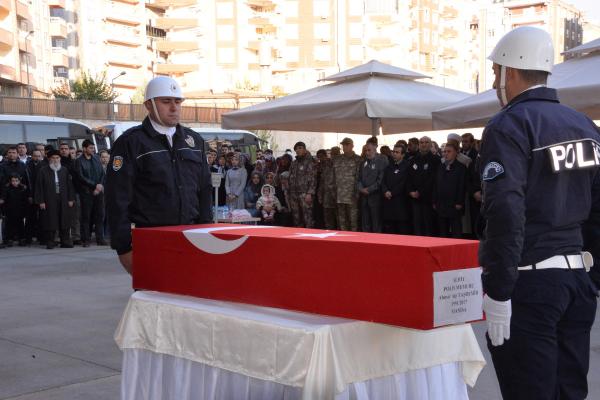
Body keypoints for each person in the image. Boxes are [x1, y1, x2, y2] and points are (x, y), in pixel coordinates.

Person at [479, 26, 599, 400]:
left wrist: (499, 292)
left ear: (509, 72)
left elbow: (506, 211)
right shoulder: (585, 126)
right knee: (569, 392)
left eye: (497, 72)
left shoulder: (509, 125)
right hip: (579, 281)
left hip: (531, 285)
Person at [105, 76, 212, 274]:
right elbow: (117, 198)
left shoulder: (194, 141)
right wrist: (123, 247)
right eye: (166, 101)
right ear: (149, 104)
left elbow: (204, 191)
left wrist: (206, 233)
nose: (174, 107)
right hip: (151, 240)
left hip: (192, 238)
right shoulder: (131, 142)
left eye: (177, 101)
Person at [35, 150, 75, 249]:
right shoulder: (43, 170)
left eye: (57, 158)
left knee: (64, 220)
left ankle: (64, 241)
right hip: (49, 199)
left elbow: (69, 185)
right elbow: (39, 187)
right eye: (53, 158)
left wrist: (71, 199)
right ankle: (50, 241)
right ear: (49, 159)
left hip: (63, 198)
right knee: (50, 220)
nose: (55, 160)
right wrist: (41, 201)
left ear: (60, 159)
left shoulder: (64, 170)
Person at [75, 140, 106, 247]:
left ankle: (100, 239)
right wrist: (94, 185)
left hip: (98, 192)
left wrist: (100, 185)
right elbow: (81, 177)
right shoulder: (79, 161)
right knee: (86, 217)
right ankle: (86, 239)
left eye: (93, 148)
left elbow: (102, 173)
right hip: (87, 193)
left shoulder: (96, 159)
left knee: (99, 216)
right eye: (90, 148)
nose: (93, 150)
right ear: (84, 148)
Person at [407, 136, 440, 236]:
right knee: (417, 225)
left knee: (428, 226)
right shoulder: (413, 160)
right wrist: (411, 191)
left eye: (426, 142)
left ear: (430, 144)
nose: (424, 144)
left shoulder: (435, 160)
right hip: (415, 199)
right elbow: (408, 177)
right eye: (421, 142)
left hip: (428, 199)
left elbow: (433, 179)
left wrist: (420, 192)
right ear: (418, 145)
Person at [433, 142, 466, 238]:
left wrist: (459, 202)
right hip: (441, 204)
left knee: (456, 231)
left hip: (454, 204)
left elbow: (462, 186)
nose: (446, 154)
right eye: (444, 151)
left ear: (456, 152)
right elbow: (435, 184)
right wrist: (434, 200)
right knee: (443, 232)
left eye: (449, 151)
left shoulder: (461, 168)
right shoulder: (440, 167)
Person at [332, 137, 362, 231]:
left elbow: (359, 178)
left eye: (347, 145)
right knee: (341, 222)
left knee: (353, 221)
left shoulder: (358, 160)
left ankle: (353, 241)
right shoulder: (337, 159)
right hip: (339, 195)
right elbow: (333, 177)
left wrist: (357, 194)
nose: (344, 147)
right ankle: (343, 240)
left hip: (351, 196)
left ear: (352, 146)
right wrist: (333, 192)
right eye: (343, 145)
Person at [381, 144, 411, 234]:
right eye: (393, 152)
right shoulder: (389, 166)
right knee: (390, 229)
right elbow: (383, 181)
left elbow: (404, 183)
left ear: (403, 155)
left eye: (397, 152)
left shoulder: (407, 166)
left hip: (400, 203)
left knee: (401, 230)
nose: (394, 154)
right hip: (388, 203)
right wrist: (385, 191)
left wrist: (392, 193)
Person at [288, 142, 316, 228]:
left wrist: (309, 193)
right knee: (296, 217)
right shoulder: (294, 163)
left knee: (307, 217)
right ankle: (298, 236)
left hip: (304, 193)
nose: (298, 150)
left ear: (304, 149)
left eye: (300, 148)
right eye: (296, 149)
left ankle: (309, 236)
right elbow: (290, 176)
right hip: (294, 193)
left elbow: (313, 178)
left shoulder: (309, 162)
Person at [0, 174, 28, 246]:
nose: (14, 182)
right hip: (10, 211)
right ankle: (9, 239)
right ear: (10, 181)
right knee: (9, 226)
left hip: (20, 210)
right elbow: (4, 199)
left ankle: (21, 239)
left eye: (16, 181)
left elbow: (25, 200)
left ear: (19, 181)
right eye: (13, 181)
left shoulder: (23, 189)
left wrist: (25, 210)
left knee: (20, 225)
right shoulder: (7, 188)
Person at [317, 149, 337, 230]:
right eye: (319, 157)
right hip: (326, 196)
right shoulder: (319, 166)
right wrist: (320, 195)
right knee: (327, 219)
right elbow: (322, 183)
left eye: (322, 157)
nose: (321, 159)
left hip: (335, 196)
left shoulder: (332, 164)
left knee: (337, 218)